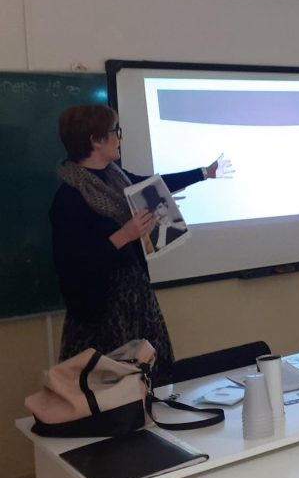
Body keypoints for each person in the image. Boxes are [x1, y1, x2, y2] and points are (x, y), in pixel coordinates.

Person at [49, 104, 231, 383]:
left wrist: (204, 173)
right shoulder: (69, 199)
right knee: (111, 389)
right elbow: (74, 267)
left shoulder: (116, 177)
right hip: (101, 313)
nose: (119, 138)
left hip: (137, 300)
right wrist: (125, 234)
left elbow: (153, 184)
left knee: (153, 381)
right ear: (95, 140)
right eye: (115, 131)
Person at [141, 185, 187, 252]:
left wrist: (171, 225)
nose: (158, 212)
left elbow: (185, 231)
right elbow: (157, 249)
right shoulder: (154, 234)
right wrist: (162, 228)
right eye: (154, 210)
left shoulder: (179, 222)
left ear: (166, 205)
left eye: (160, 207)